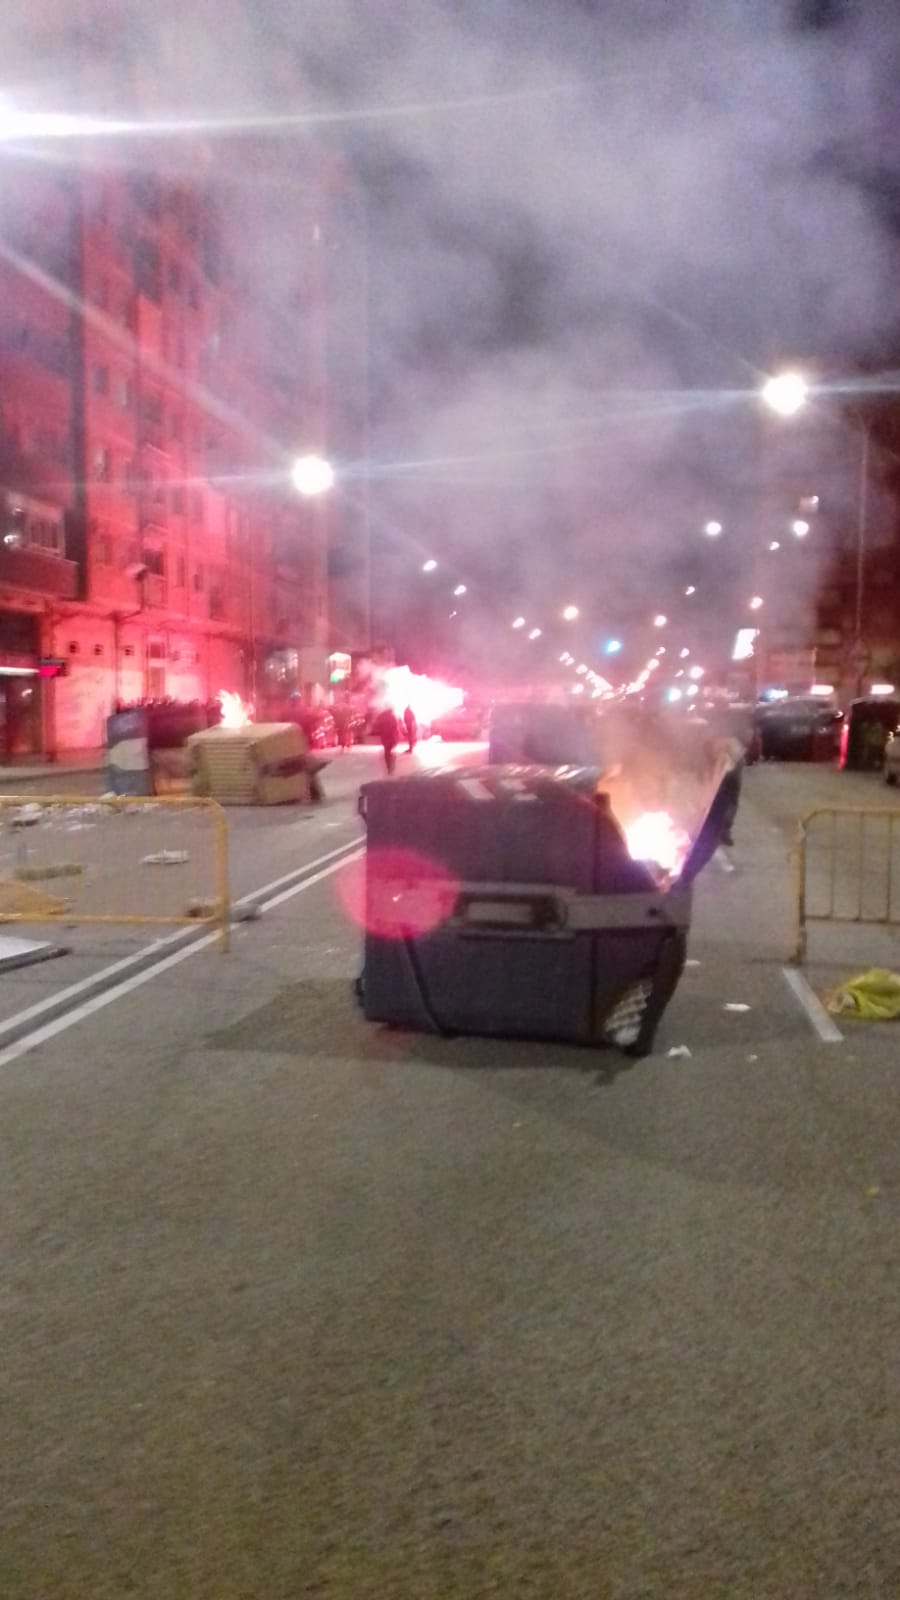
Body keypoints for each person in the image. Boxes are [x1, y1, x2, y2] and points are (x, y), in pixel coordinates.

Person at [373, 706, 401, 775]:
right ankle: (391, 766)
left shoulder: (382, 716)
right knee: (389, 751)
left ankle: (389, 767)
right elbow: (395, 727)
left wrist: (379, 731)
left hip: (385, 736)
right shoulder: (392, 717)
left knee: (387, 751)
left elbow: (377, 725)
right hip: (392, 736)